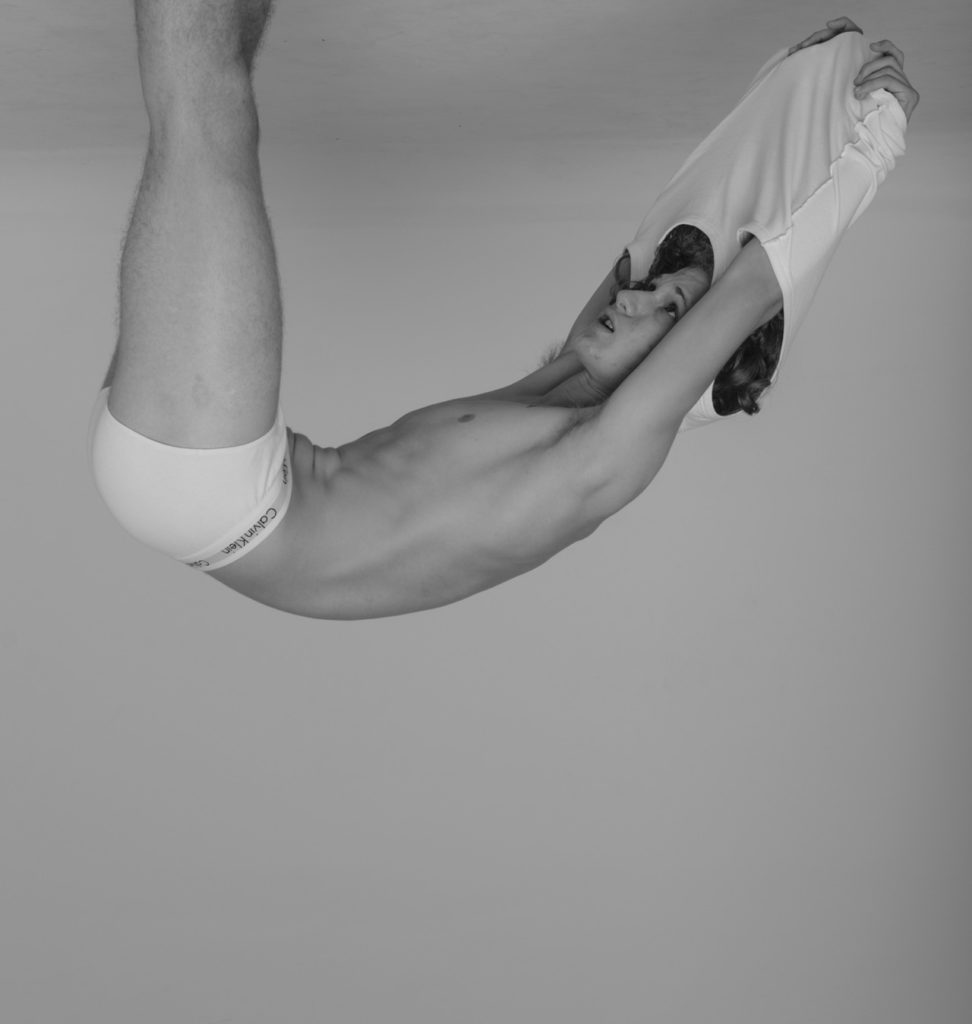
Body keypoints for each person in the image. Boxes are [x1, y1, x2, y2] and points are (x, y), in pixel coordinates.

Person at [88, 7, 919, 619]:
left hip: (218, 490)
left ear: (691, 359)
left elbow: (755, 286)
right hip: (203, 484)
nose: (632, 297)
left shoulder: (609, 457)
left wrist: (877, 143)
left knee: (203, 98)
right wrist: (798, 86)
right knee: (214, 74)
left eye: (666, 312)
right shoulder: (565, 384)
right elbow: (678, 223)